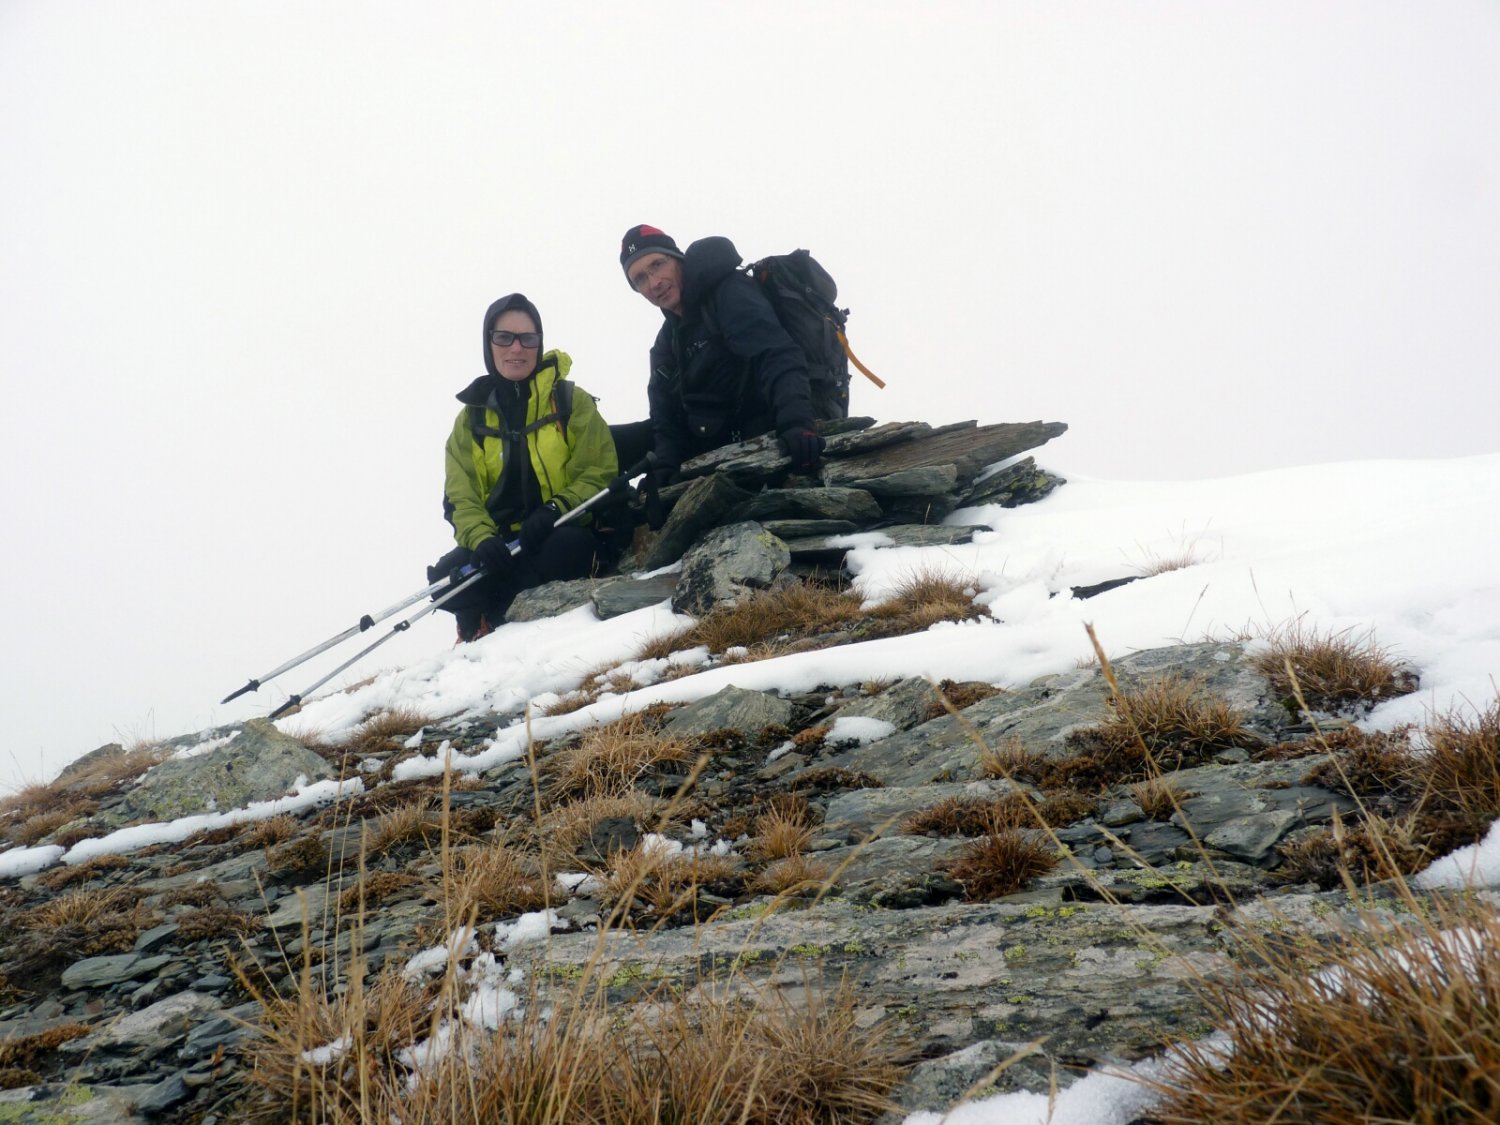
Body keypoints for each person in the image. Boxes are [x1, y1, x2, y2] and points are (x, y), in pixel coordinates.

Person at [427, 293, 619, 642]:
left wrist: (555, 509)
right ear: (489, 344)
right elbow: (461, 495)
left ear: (539, 343)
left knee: (568, 548)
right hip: (502, 544)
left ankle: (493, 618)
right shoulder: (470, 420)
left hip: (557, 530)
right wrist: (483, 539)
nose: (516, 348)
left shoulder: (569, 401)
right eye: (504, 337)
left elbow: (598, 471)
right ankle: (501, 606)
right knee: (443, 580)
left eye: (527, 338)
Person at [619, 224, 824, 483]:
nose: (654, 283)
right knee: (609, 443)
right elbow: (664, 416)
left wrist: (798, 425)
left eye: (657, 264)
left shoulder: (728, 292)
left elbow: (777, 355)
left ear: (677, 259)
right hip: (712, 436)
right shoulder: (665, 343)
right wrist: (664, 469)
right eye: (640, 279)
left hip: (767, 425)